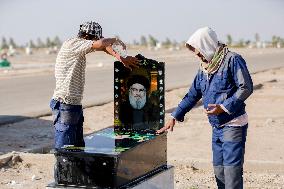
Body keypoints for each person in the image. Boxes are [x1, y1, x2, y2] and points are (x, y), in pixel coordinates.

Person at [157, 27, 253, 189]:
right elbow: (192, 95)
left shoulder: (232, 60)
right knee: (219, 172)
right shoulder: (204, 68)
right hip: (216, 126)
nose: (197, 54)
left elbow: (246, 87)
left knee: (232, 174)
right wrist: (174, 116)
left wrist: (223, 107)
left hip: (233, 124)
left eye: (198, 50)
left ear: (207, 45)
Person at [50, 21, 139, 149]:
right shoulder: (73, 44)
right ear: (87, 36)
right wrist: (116, 39)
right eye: (95, 38)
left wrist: (121, 58)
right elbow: (101, 44)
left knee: (77, 147)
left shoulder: (81, 46)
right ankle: (61, 169)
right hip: (64, 103)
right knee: (65, 148)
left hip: (74, 104)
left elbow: (103, 46)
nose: (97, 42)